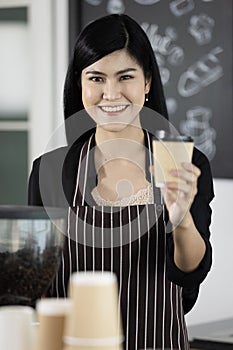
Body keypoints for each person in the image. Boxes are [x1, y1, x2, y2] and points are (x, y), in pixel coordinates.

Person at [28, 14, 214, 350]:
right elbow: (35, 281)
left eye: (125, 77)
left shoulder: (185, 161)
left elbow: (189, 277)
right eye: (96, 78)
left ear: (146, 82)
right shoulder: (50, 169)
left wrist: (180, 218)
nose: (110, 94)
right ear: (80, 84)